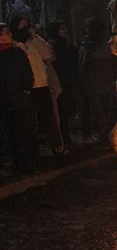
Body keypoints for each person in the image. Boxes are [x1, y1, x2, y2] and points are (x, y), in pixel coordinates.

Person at [9, 16, 67, 156]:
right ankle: (33, 151)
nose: (26, 29)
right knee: (30, 121)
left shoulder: (32, 43)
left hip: (42, 85)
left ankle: (56, 146)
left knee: (49, 118)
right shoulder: (15, 47)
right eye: (22, 26)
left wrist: (35, 37)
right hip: (28, 88)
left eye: (27, 26)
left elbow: (47, 54)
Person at [0, 23, 36, 175]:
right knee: (10, 133)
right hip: (3, 100)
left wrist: (26, 91)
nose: (9, 35)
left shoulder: (17, 53)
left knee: (22, 131)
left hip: (19, 98)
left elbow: (27, 72)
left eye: (8, 32)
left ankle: (27, 164)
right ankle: (16, 163)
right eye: (5, 33)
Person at [78, 17, 117, 149]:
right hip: (108, 83)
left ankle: (104, 138)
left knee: (98, 113)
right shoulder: (109, 45)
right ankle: (114, 136)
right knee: (110, 111)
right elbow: (115, 63)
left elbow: (82, 65)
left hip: (92, 85)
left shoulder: (87, 46)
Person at [49, 21, 79, 146]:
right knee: (61, 110)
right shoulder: (55, 46)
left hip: (68, 80)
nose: (64, 30)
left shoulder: (68, 45)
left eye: (65, 28)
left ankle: (65, 136)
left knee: (66, 109)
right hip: (60, 80)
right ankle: (63, 137)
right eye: (62, 28)